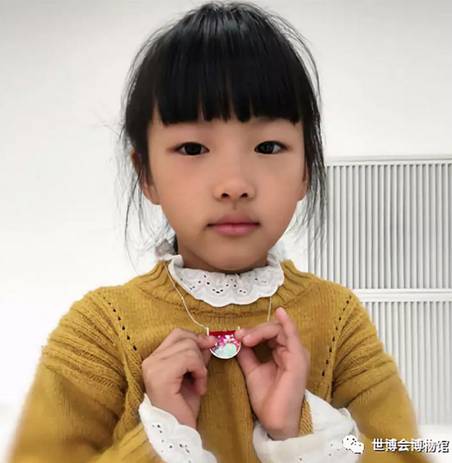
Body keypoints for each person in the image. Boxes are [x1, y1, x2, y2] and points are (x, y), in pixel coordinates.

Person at [7, 1, 429, 462]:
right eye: (193, 148)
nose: (234, 184)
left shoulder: (340, 320)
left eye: (269, 146)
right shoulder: (99, 331)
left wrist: (300, 431)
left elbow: (407, 449)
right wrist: (163, 435)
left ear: (305, 171)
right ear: (146, 175)